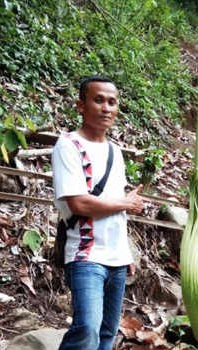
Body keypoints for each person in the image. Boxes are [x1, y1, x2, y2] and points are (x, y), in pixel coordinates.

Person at [52, 75, 148, 350]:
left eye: (112, 102)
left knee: (107, 332)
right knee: (87, 328)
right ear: (80, 106)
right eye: (98, 100)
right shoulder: (68, 145)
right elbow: (79, 204)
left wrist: (126, 251)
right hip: (86, 254)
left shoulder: (115, 152)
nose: (106, 108)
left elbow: (116, 206)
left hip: (116, 257)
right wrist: (126, 203)